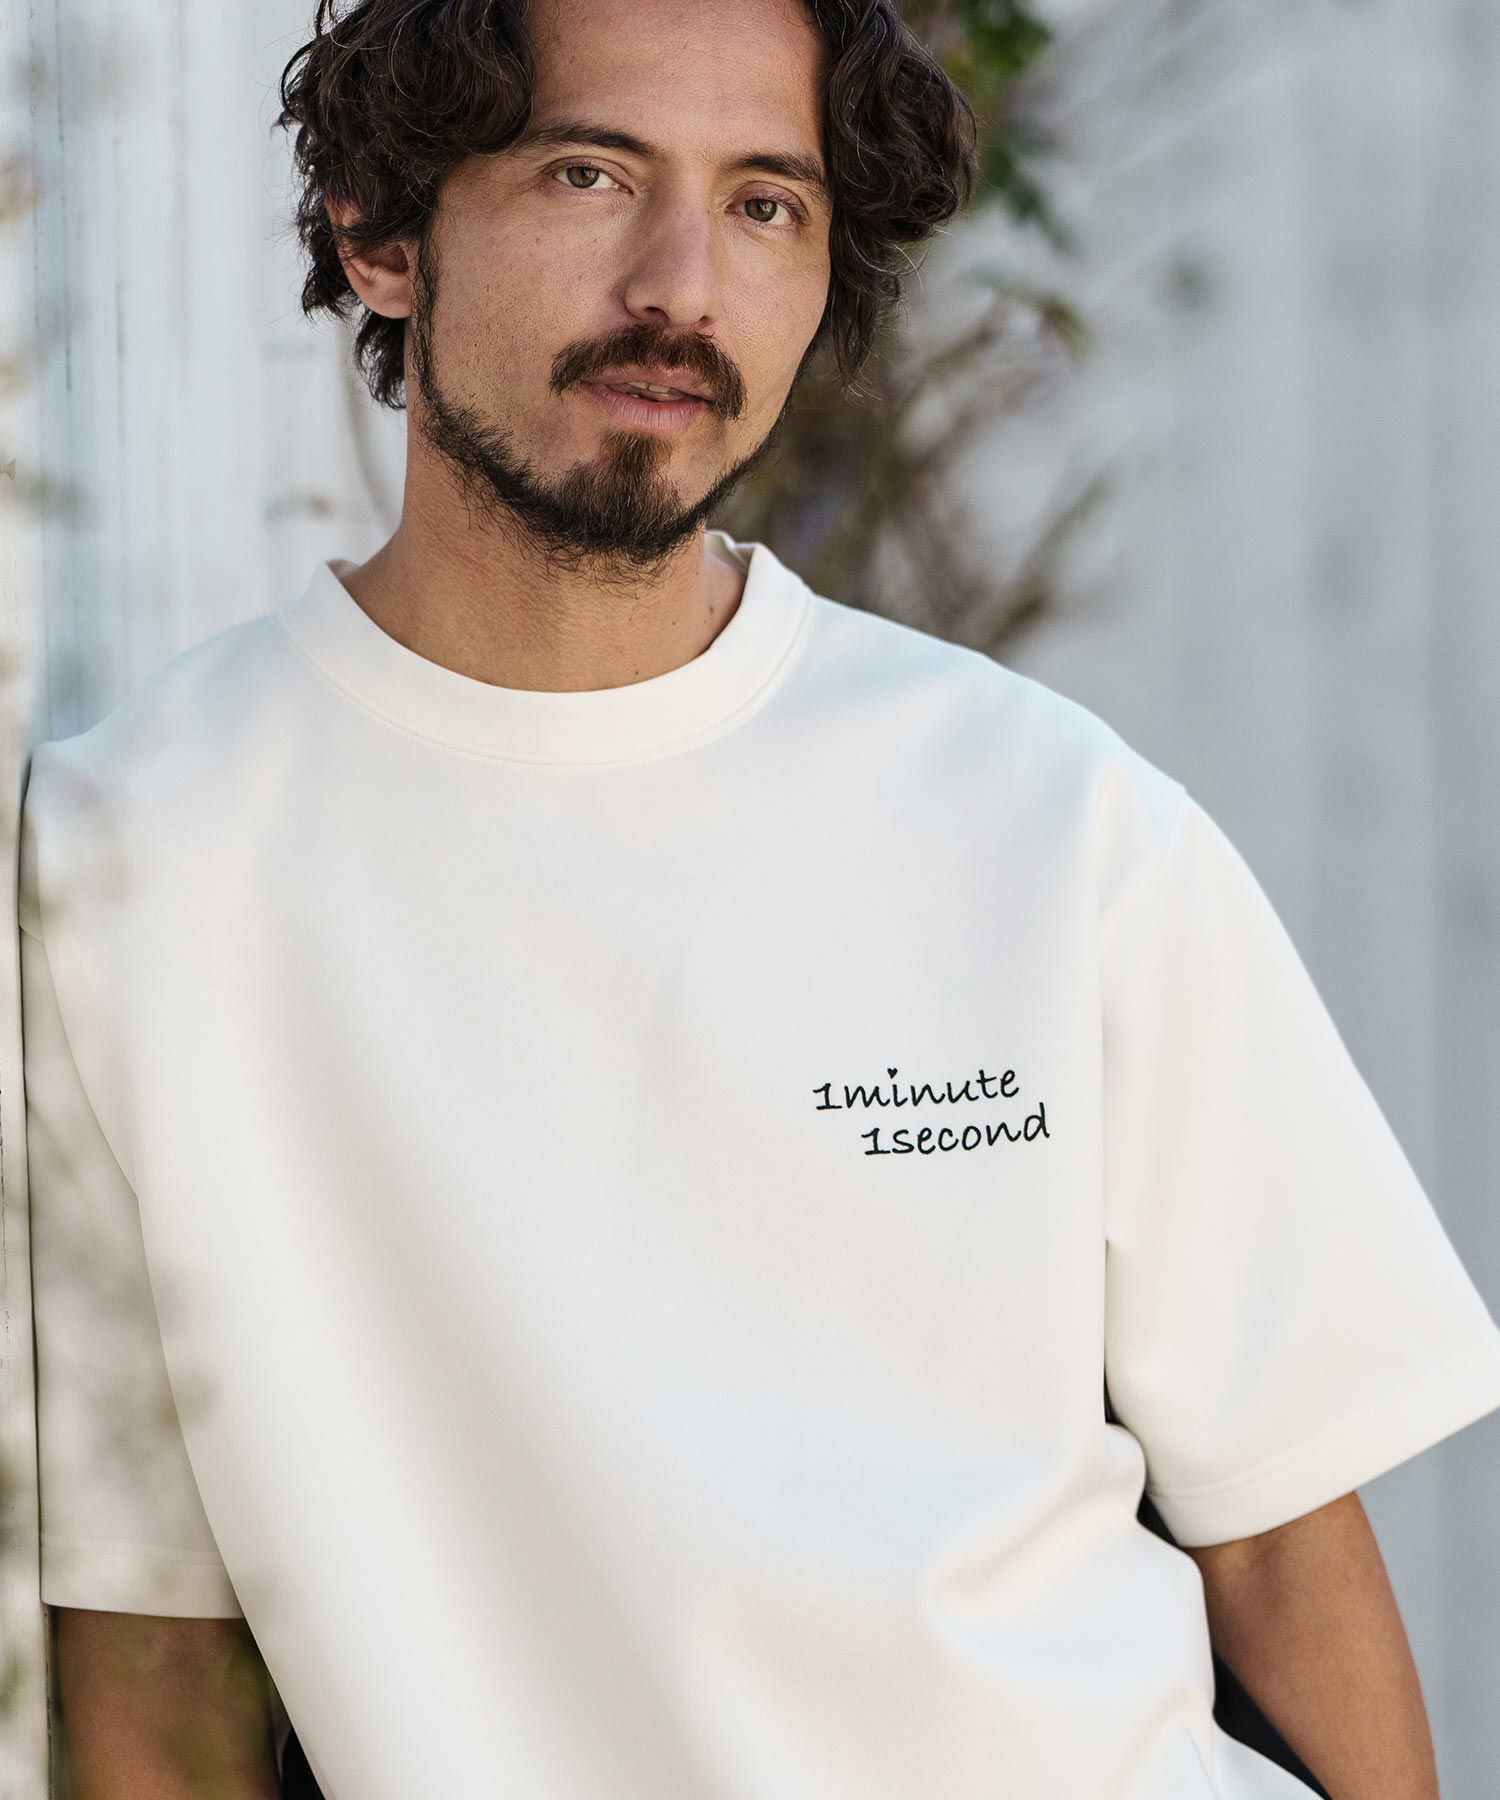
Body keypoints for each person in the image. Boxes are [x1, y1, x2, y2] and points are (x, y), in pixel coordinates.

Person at [20, 0, 1500, 1795]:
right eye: (589, 174)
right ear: (380, 231)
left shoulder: (1055, 821)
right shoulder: (129, 864)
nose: (682, 287)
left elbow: (1279, 1541)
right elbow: (150, 1645)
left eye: (765, 206)